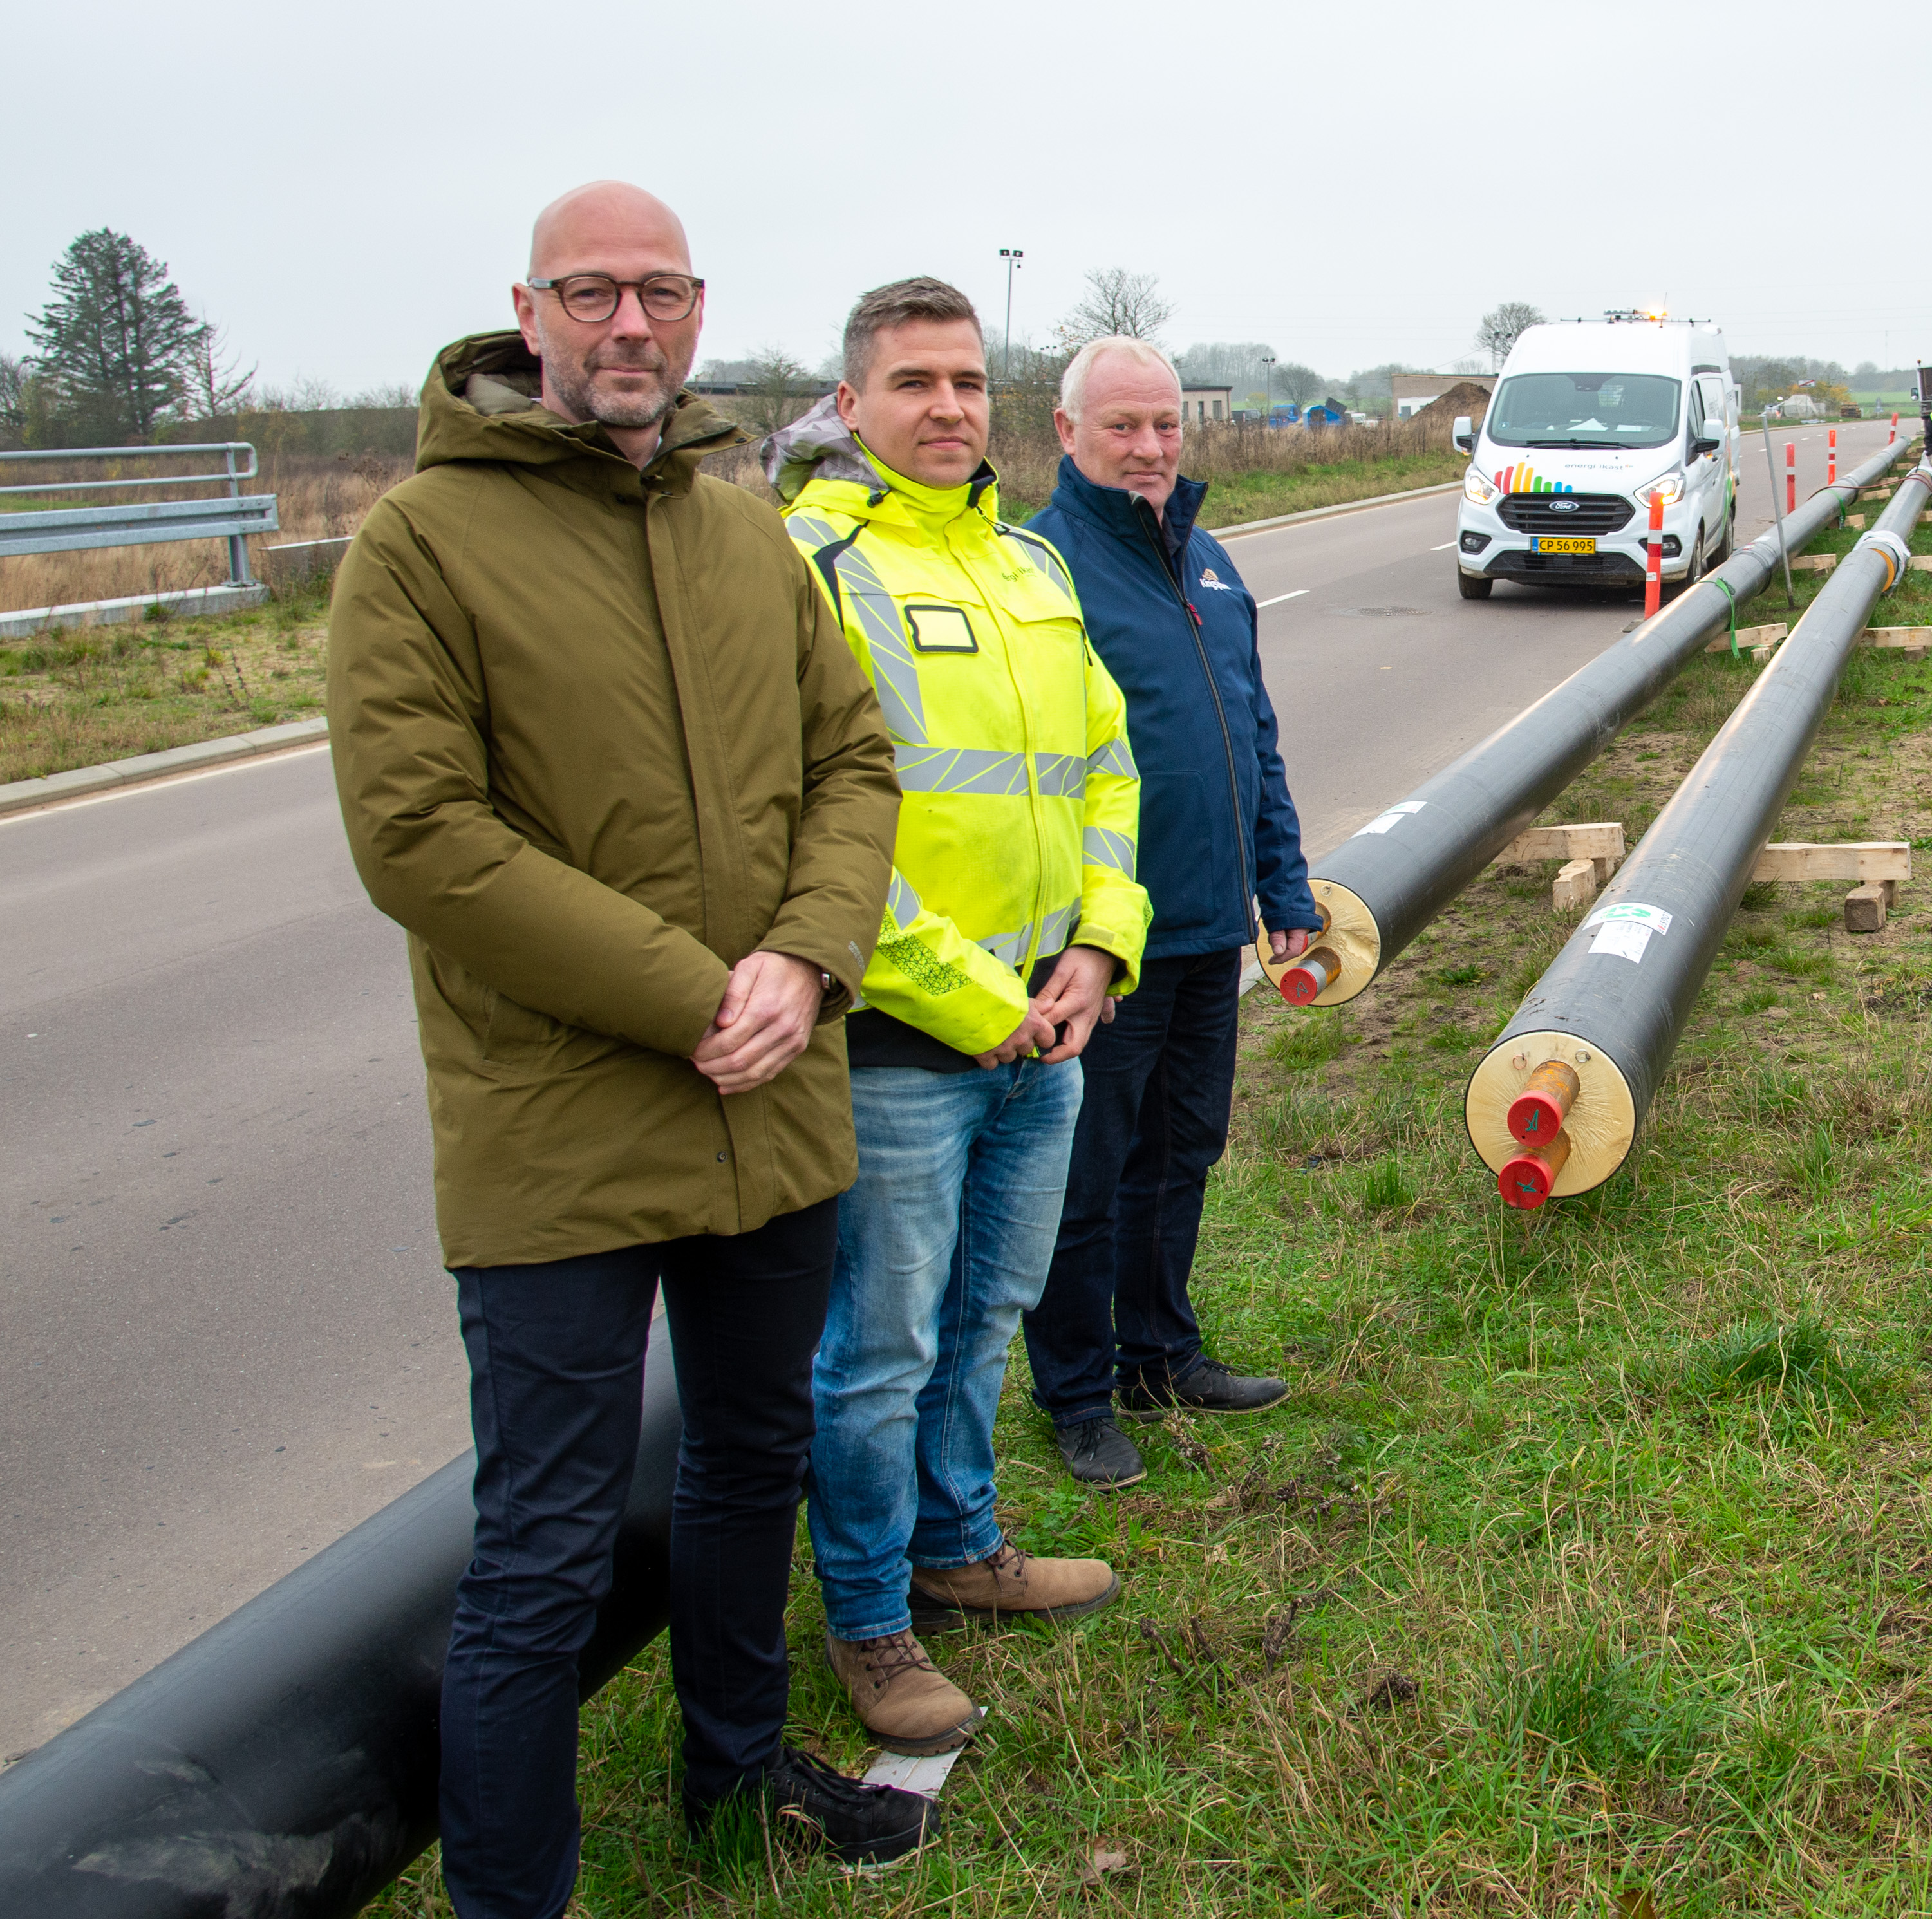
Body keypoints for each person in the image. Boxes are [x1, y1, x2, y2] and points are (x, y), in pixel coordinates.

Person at [326, 181, 923, 1915]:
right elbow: (421, 840)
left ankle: (737, 1779)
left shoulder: (748, 533)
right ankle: (517, 1893)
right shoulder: (422, 544)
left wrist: (809, 957)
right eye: (590, 292)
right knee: (546, 1550)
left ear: (697, 304)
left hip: (774, 1103)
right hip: (562, 1127)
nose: (629, 324)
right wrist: (697, 991)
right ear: (529, 312)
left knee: (753, 1462)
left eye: (659, 290)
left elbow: (853, 763)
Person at [769, 279, 1151, 1752]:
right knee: (876, 1347)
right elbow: (805, 821)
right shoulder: (813, 563)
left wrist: (1100, 952)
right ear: (852, 403)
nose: (947, 408)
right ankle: (869, 1621)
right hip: (898, 1045)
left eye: (967, 381)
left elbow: (1106, 772)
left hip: (1042, 1032)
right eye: (914, 381)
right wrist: (973, 996)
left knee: (984, 1313)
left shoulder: (1028, 566)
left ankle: (960, 1541)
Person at [1019, 337, 1319, 1490]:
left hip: (1208, 930)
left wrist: (1281, 883)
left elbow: (1255, 733)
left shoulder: (1209, 561)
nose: (1148, 448)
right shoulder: (1042, 569)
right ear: (1068, 433)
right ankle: (1079, 1391)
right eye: (1123, 427)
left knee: (1182, 1150)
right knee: (1089, 1171)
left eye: (1164, 427)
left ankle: (1160, 1351)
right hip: (1101, 945)